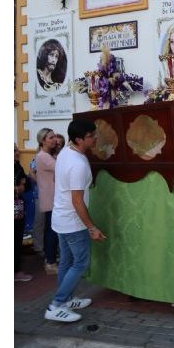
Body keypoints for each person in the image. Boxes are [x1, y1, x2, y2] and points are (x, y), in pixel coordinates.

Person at [44, 119, 107, 323]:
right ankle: (56, 304)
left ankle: (67, 299)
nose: (95, 138)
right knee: (80, 263)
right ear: (79, 139)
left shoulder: (66, 152)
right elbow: (77, 201)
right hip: (72, 222)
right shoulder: (77, 164)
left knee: (68, 262)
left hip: (61, 218)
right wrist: (91, 228)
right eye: (91, 136)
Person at [35, 127, 60, 274]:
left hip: (51, 197)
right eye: (51, 137)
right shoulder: (43, 156)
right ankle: (50, 262)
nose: (55, 140)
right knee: (52, 231)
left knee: (51, 230)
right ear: (43, 140)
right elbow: (60, 168)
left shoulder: (47, 155)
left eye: (55, 137)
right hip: (50, 198)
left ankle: (50, 259)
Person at [14, 143, 33, 282]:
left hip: (18, 209)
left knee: (17, 238)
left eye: (16, 148)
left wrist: (21, 186)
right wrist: (17, 188)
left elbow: (27, 184)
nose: (17, 151)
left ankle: (16, 269)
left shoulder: (17, 165)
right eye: (13, 150)